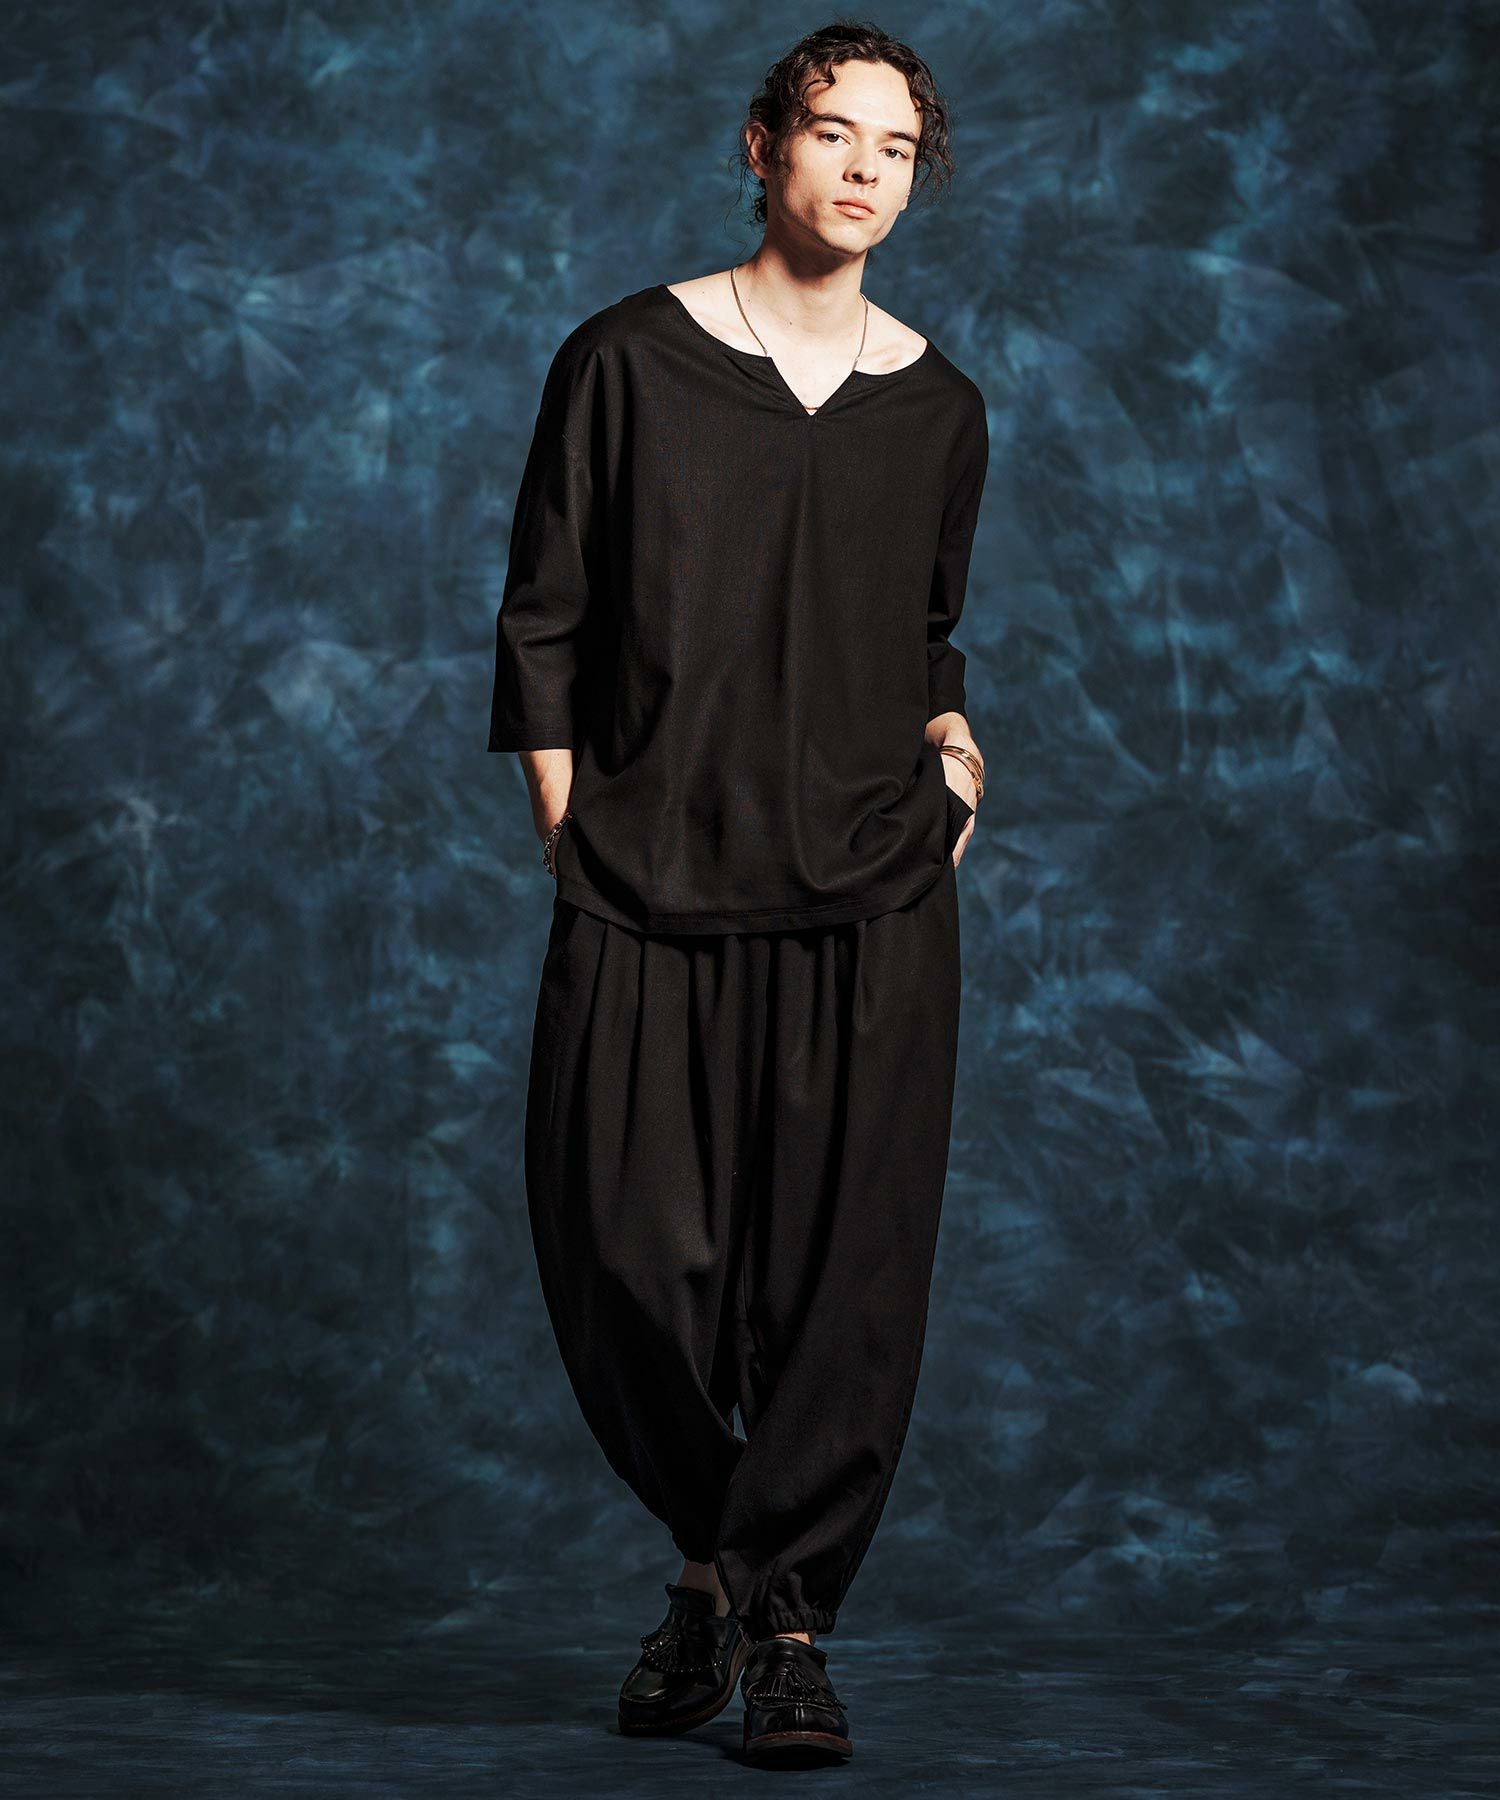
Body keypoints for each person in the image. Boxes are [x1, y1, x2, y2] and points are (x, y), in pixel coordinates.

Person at [488, 21, 988, 1766]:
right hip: (647, 890)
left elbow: (921, 636)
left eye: (897, 148)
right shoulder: (623, 360)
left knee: (842, 1292)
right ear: (761, 145)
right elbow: (545, 619)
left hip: (869, 899)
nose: (864, 171)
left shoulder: (940, 406)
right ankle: (718, 1564)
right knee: (624, 1255)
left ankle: (779, 1628)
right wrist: (573, 836)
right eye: (834, 134)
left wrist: (953, 754)